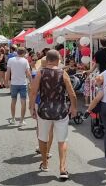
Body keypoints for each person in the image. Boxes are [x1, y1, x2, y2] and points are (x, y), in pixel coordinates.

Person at [29, 50, 77, 180]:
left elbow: (33, 92)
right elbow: (72, 93)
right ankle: (62, 169)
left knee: (42, 137)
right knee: (62, 140)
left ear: (47, 59)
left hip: (44, 110)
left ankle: (44, 164)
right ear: (58, 59)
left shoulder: (40, 72)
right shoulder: (63, 73)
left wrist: (31, 108)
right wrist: (74, 108)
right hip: (60, 110)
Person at [5, 47, 32, 126]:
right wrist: (31, 82)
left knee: (13, 101)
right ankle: (21, 120)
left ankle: (13, 119)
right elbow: (28, 73)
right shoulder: (25, 61)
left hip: (14, 83)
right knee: (23, 102)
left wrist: (6, 82)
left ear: (17, 52)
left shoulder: (11, 60)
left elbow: (8, 72)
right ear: (24, 53)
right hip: (23, 83)